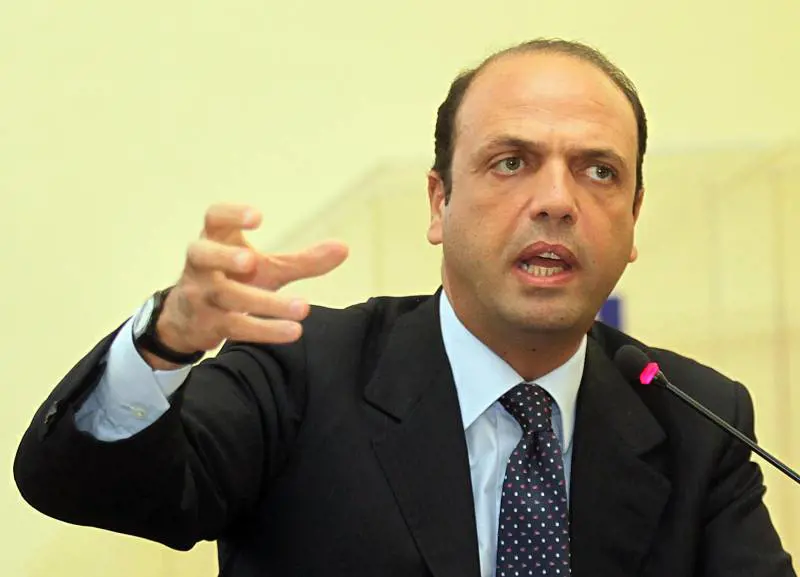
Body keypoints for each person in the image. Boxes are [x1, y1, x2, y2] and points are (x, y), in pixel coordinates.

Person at [13, 38, 796, 577]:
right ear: (438, 201)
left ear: (633, 220)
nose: (557, 201)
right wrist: (166, 343)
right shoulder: (303, 373)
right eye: (512, 161)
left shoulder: (695, 419)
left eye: (599, 171)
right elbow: (82, 483)